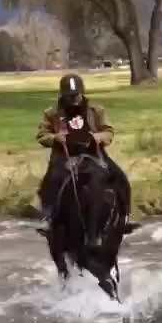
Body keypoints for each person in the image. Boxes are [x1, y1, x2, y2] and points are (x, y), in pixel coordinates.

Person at [36, 73, 114, 234]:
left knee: (118, 176)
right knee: (51, 180)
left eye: (75, 96)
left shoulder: (95, 110)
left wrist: (97, 138)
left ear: (82, 93)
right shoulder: (52, 113)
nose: (73, 100)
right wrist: (55, 138)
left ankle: (124, 215)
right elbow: (42, 135)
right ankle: (48, 217)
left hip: (93, 154)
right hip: (63, 156)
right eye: (68, 97)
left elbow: (108, 131)